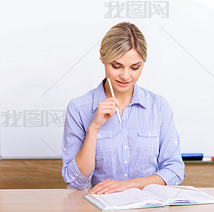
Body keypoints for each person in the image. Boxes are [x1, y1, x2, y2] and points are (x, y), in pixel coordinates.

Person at [61, 22, 185, 194]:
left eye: (135, 67)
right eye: (116, 66)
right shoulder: (79, 108)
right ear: (103, 57)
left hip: (149, 206)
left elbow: (174, 170)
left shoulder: (158, 107)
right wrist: (94, 128)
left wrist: (128, 185)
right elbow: (76, 181)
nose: (126, 76)